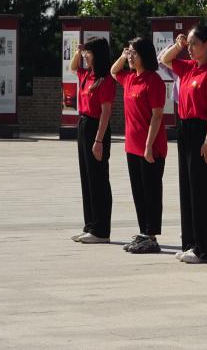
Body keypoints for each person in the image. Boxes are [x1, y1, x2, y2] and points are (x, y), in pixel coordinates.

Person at [160, 25, 207, 264]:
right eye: (188, 44)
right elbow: (164, 60)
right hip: (185, 130)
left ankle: (205, 248)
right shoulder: (188, 67)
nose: (189, 48)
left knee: (203, 191)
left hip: (202, 131)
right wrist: (178, 45)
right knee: (187, 188)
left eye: (193, 44)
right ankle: (190, 243)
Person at [111, 37, 167, 254]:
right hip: (132, 146)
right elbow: (113, 71)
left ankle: (151, 236)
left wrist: (149, 145)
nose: (131, 56)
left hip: (150, 147)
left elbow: (157, 115)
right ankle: (143, 232)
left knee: (151, 191)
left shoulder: (153, 81)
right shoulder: (130, 78)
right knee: (138, 191)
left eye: (134, 53)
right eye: (129, 52)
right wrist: (123, 55)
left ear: (144, 55)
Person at [69, 37, 116, 245]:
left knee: (98, 179)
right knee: (87, 178)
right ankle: (90, 225)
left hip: (97, 128)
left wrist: (99, 140)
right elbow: (72, 68)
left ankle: (101, 229)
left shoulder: (105, 80)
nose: (85, 56)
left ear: (98, 54)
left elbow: (106, 112)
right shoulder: (87, 74)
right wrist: (77, 52)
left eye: (88, 53)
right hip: (84, 124)